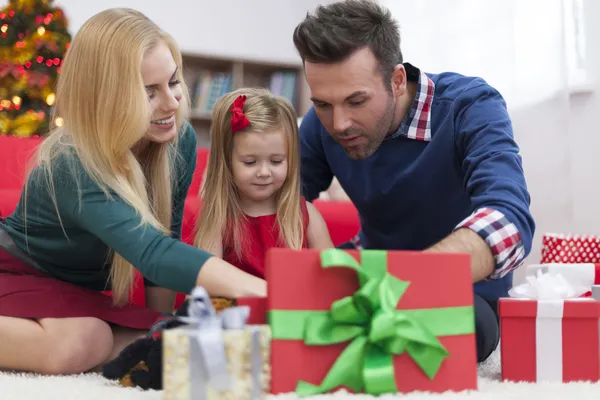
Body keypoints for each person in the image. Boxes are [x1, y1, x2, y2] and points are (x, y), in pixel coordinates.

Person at [0, 8, 265, 376]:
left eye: (173, 82)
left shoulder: (177, 141)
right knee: (79, 342)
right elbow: (154, 253)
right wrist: (270, 291)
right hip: (15, 271)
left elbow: (164, 235)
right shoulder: (71, 162)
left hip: (74, 290)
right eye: (149, 92)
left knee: (167, 339)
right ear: (105, 98)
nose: (172, 103)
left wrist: (164, 319)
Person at [292, 0, 535, 363]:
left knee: (447, 335)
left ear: (397, 80)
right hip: (369, 270)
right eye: (323, 104)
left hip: (464, 290)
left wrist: (407, 283)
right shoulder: (320, 123)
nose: (339, 123)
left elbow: (509, 219)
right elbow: (281, 204)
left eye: (356, 101)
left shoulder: (470, 105)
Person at [194, 88, 334, 279]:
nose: (264, 172)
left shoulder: (307, 216)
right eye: (250, 162)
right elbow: (206, 284)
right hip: (236, 308)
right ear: (226, 161)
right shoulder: (219, 218)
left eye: (276, 161)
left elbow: (333, 280)